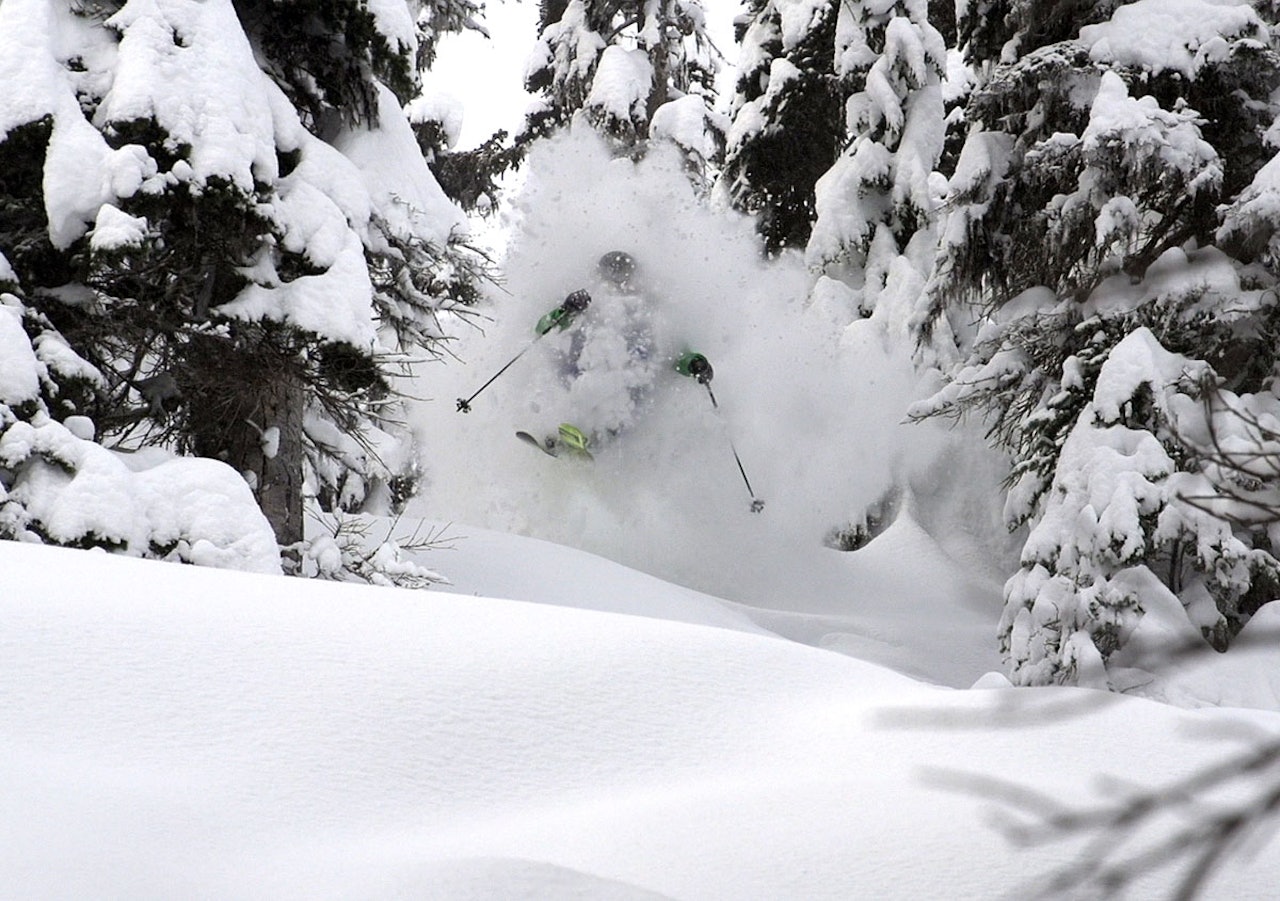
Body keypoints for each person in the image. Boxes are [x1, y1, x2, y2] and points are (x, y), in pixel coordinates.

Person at [529, 250, 713, 455]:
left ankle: (596, 436)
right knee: (584, 369)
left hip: (628, 387)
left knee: (629, 382)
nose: (617, 281)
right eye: (611, 274)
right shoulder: (588, 304)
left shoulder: (648, 311)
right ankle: (564, 430)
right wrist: (566, 310)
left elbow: (675, 351)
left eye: (623, 274)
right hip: (579, 373)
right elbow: (542, 329)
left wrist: (694, 364)